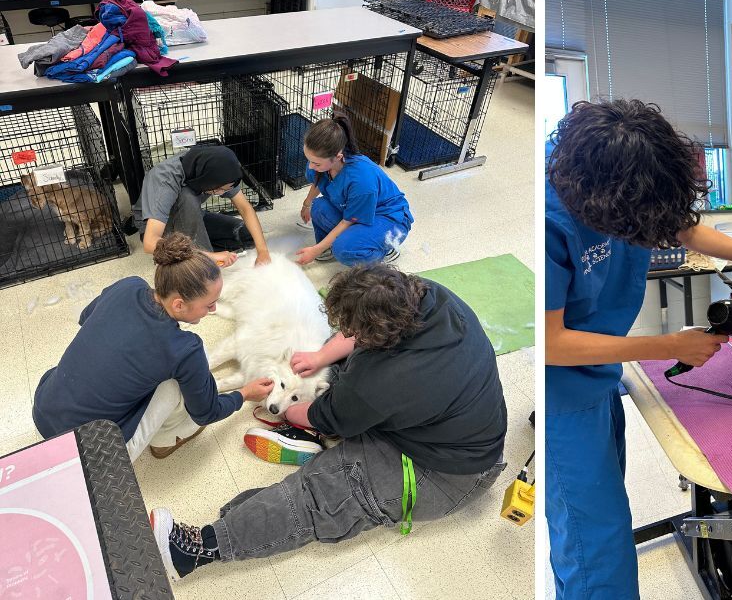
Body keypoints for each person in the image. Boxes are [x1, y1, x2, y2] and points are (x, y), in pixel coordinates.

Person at [545, 98, 732, 600]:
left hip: (600, 374)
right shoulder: (554, 221)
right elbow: (553, 343)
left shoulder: (634, 183)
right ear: (605, 202)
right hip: (563, 389)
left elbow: (681, 226)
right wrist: (668, 344)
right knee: (594, 541)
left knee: (600, 506)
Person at [149, 263, 507, 579]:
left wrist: (284, 407)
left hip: (449, 473)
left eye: (352, 331)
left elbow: (323, 414)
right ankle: (310, 449)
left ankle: (197, 550)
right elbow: (357, 343)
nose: (347, 334)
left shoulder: (382, 382)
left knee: (320, 494)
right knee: (333, 375)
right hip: (443, 421)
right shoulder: (427, 296)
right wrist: (320, 355)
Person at [32, 234, 273, 460]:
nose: (213, 309)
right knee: (177, 383)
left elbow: (86, 319)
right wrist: (245, 393)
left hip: (44, 411)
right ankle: (167, 439)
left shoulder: (128, 286)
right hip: (92, 453)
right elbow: (206, 413)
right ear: (178, 305)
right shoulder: (185, 349)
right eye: (209, 304)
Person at [295, 114, 413, 267]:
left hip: (389, 218)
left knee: (344, 249)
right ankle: (331, 245)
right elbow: (318, 181)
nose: (311, 166)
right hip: (359, 208)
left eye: (316, 164)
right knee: (318, 207)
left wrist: (316, 250)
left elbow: (348, 221)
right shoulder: (321, 161)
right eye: (309, 160)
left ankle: (383, 249)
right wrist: (307, 204)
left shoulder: (361, 180)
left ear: (338, 157)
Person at [134, 140, 272, 269]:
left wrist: (263, 251)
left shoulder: (217, 170)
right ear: (207, 180)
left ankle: (195, 251)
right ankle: (197, 257)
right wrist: (210, 256)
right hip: (161, 227)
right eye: (219, 189)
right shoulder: (165, 180)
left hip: (192, 214)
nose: (222, 193)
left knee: (247, 235)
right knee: (187, 195)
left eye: (226, 190)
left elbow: (244, 208)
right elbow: (150, 242)